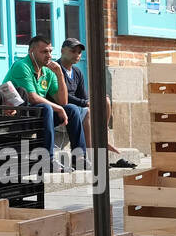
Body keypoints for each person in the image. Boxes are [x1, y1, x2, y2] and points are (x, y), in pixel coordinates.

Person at [3, 35, 87, 169]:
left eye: (50, 51)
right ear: (32, 52)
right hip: (18, 115)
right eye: (44, 52)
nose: (49, 55)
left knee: (72, 109)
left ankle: (79, 157)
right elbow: (32, 98)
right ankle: (48, 159)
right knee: (46, 107)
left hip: (38, 115)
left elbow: (63, 101)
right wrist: (59, 109)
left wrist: (59, 73)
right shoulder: (22, 66)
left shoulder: (48, 70)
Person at [57, 39, 137, 170]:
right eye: (73, 51)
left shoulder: (77, 72)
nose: (77, 54)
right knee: (87, 112)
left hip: (78, 106)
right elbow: (62, 97)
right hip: (64, 108)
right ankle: (91, 157)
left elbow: (83, 95)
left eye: (79, 52)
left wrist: (91, 101)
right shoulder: (56, 69)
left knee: (105, 100)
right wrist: (87, 103)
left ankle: (101, 133)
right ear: (62, 51)